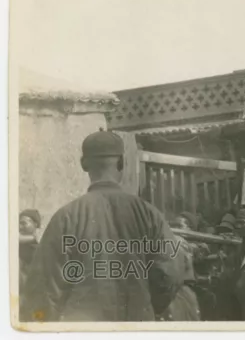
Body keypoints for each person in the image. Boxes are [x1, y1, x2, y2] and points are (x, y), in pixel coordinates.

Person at [21, 129, 184, 322]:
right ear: (122, 163)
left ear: (83, 165)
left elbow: (44, 287)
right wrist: (145, 304)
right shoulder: (149, 214)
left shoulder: (65, 217)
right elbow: (170, 273)